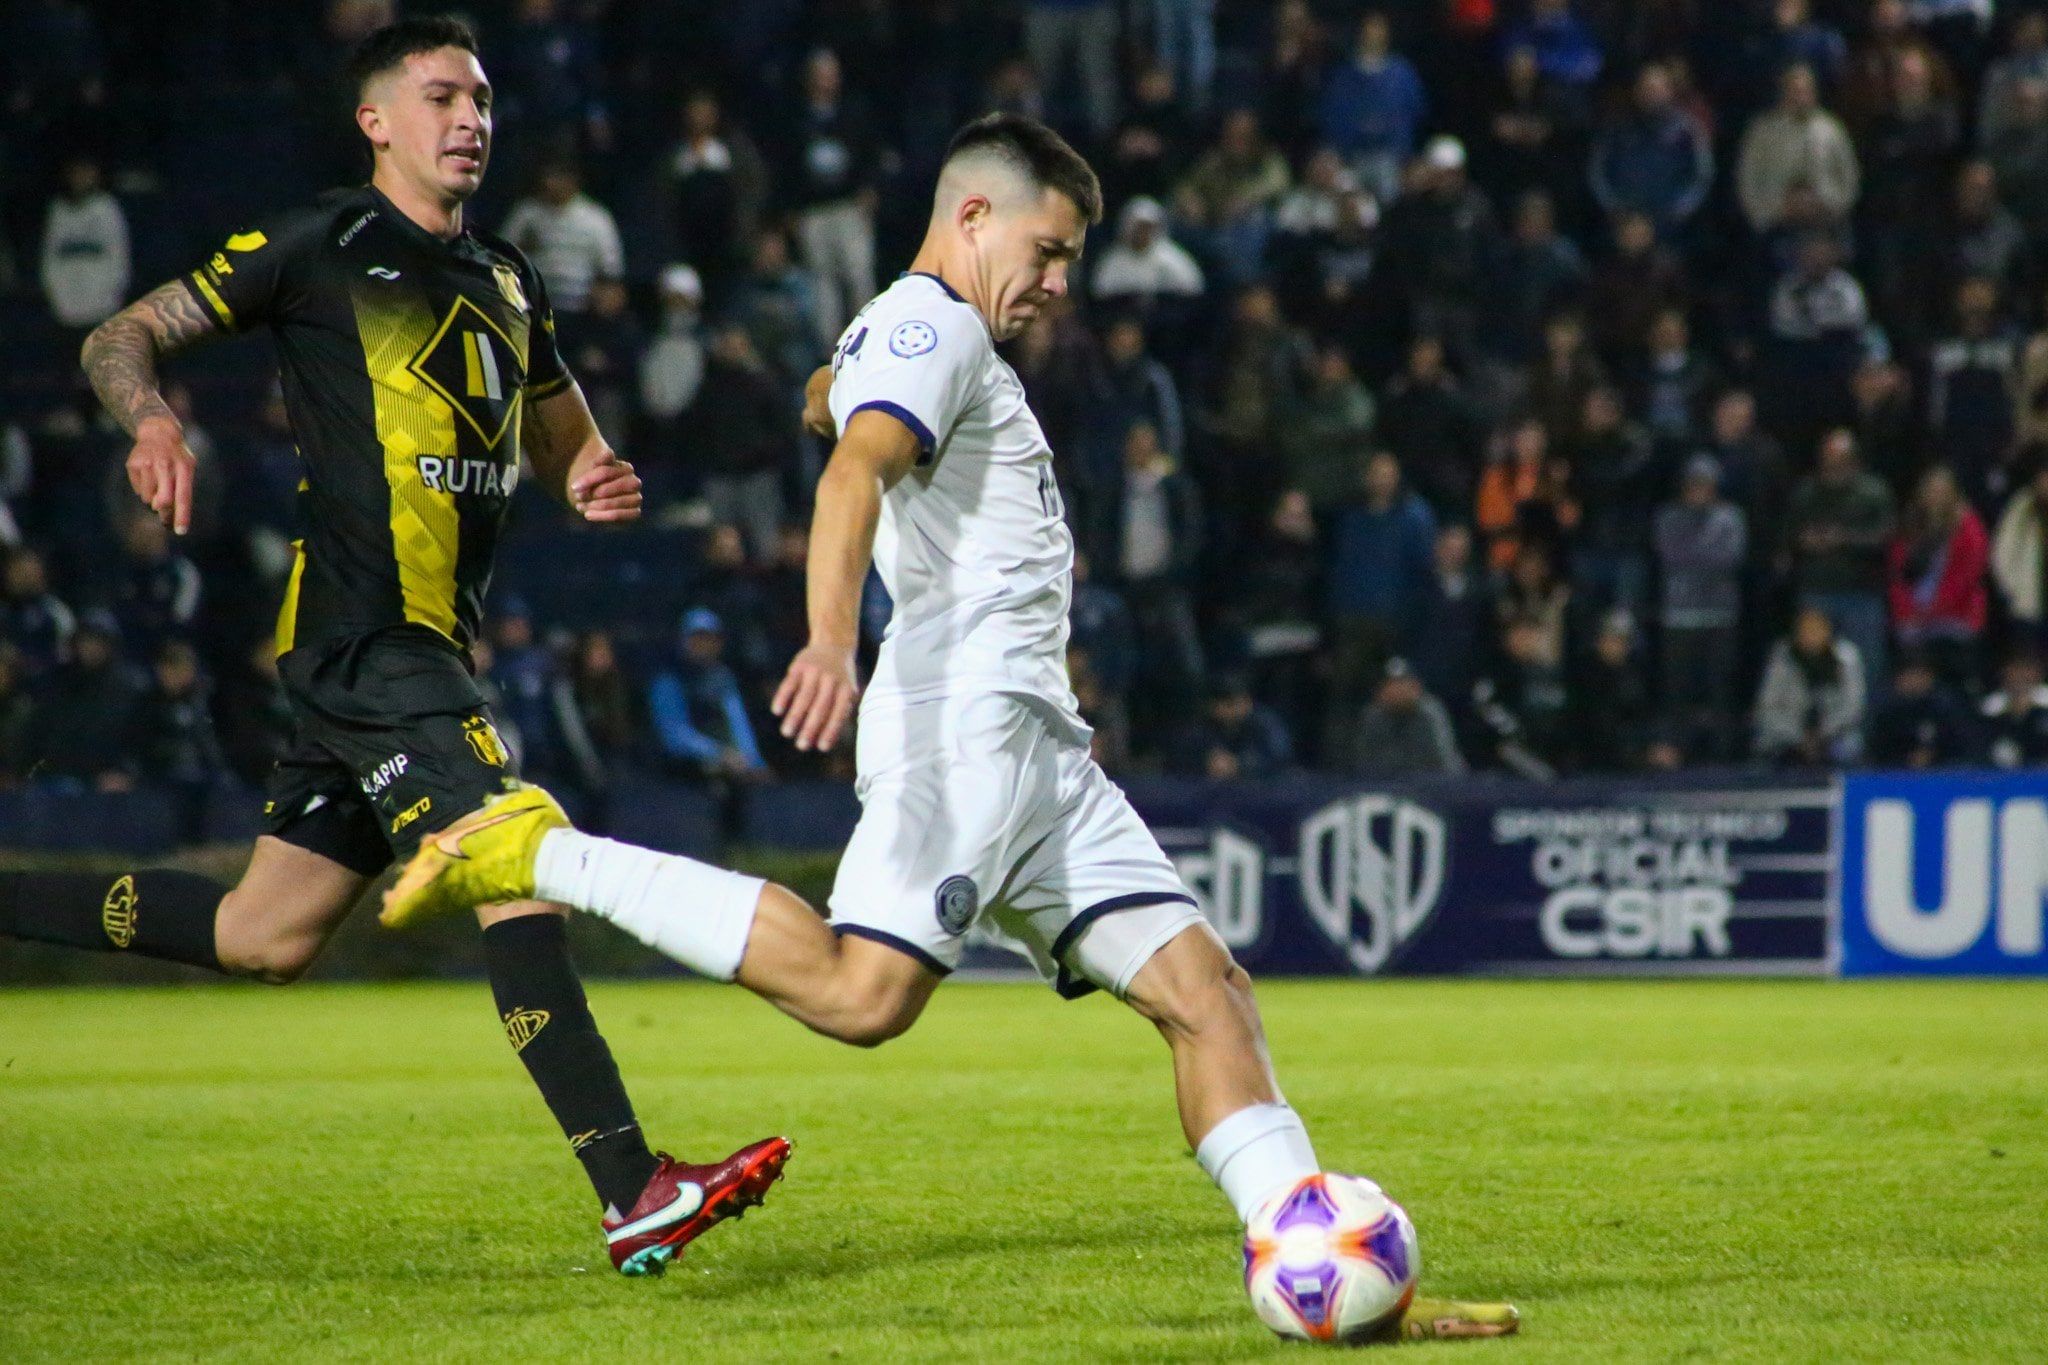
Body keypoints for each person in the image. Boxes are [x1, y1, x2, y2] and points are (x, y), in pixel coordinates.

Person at [376, 112, 1514, 1340]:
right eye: (1051, 247)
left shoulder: (930, 337)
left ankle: (1322, 1269)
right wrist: (824, 641)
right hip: (961, 720)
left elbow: (839, 407)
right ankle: (538, 850)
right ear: (973, 215)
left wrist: (827, 388)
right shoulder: (936, 321)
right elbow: (851, 469)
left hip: (1039, 749)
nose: (1061, 280)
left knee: (1208, 995)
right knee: (863, 995)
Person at [0, 19, 787, 1277]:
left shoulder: (511, 278)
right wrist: (150, 423)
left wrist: (585, 469)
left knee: (266, 934)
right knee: (513, 852)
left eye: (480, 97)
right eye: (440, 96)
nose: (471, 117)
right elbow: (119, 335)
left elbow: (560, 425)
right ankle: (631, 1186)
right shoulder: (317, 245)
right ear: (377, 122)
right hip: (369, 641)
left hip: (405, 652)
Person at [1753, 604, 1866, 765]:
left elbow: (1852, 707)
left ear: (1828, 630)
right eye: (1804, 629)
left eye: (1816, 628)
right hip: (1788, 735)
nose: (1810, 634)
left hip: (1832, 734)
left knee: (1849, 746)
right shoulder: (1782, 657)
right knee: (1768, 746)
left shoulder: (1846, 657)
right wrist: (1799, 736)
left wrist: (1821, 734)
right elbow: (1766, 707)